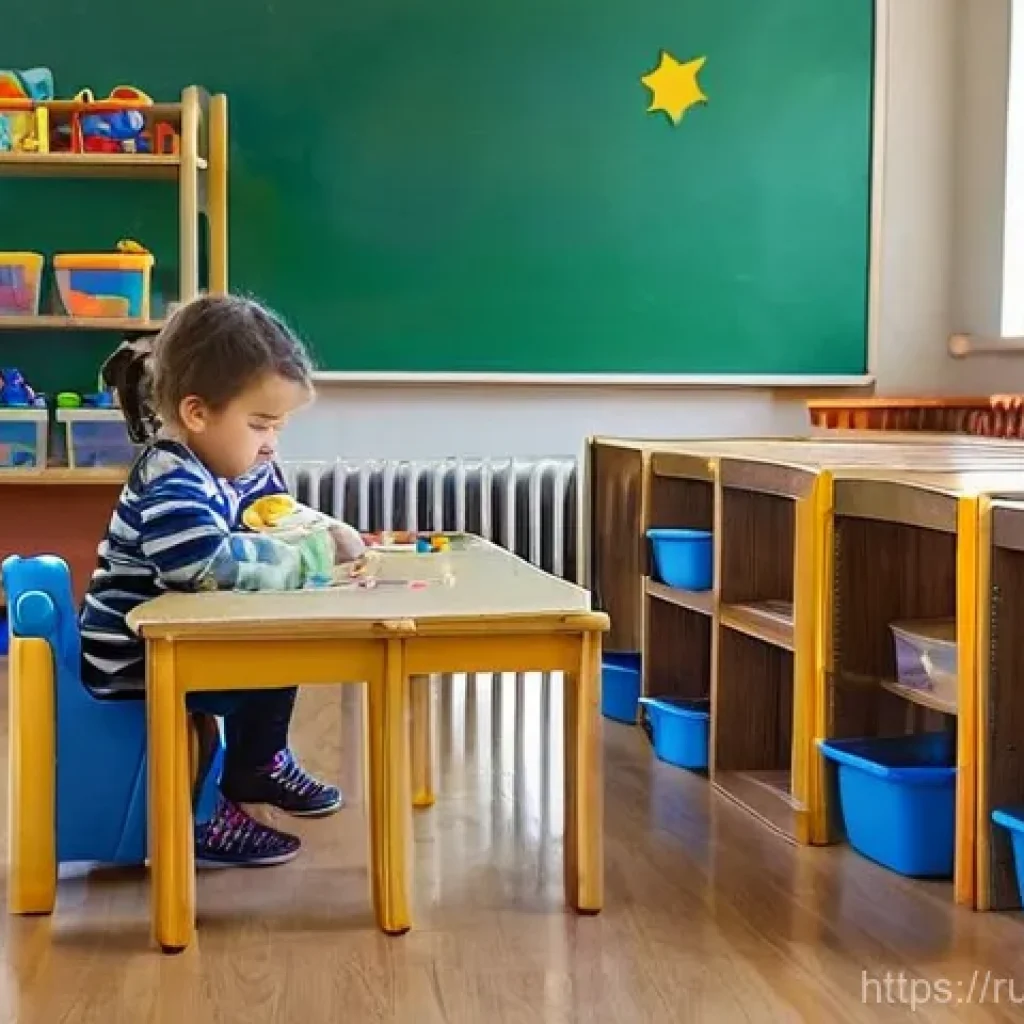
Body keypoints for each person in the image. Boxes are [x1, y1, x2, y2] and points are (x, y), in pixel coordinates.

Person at [79, 294, 366, 867]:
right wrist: (312, 557)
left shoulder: (229, 468)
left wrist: (326, 530)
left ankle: (258, 766)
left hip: (177, 643)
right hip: (135, 661)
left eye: (278, 426)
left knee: (284, 642)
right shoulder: (171, 478)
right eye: (260, 424)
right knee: (269, 654)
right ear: (197, 413)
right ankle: (209, 811)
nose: (272, 442)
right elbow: (203, 566)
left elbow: (276, 511)